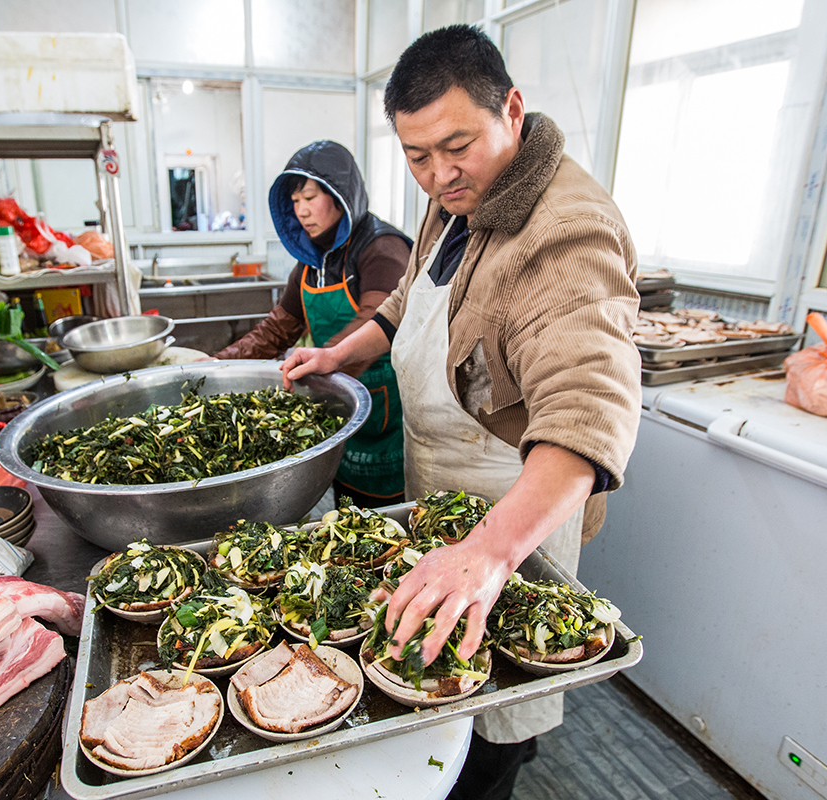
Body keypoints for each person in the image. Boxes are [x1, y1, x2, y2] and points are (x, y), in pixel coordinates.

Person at [281, 26, 642, 800]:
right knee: (433, 691)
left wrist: (490, 554)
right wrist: (337, 355)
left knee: (492, 722)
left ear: (511, 109)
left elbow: (589, 413)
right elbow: (412, 304)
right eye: (417, 156)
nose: (439, 174)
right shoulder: (456, 202)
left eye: (457, 145)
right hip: (440, 490)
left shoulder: (567, 233)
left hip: (512, 512)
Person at [213, 141, 412, 508]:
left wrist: (329, 357)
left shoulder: (381, 248)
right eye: (295, 201)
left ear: (340, 196)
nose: (302, 211)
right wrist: (217, 366)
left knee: (391, 513)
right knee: (348, 511)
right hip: (338, 405)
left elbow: (379, 316)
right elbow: (277, 329)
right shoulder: (311, 262)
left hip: (389, 413)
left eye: (310, 197)